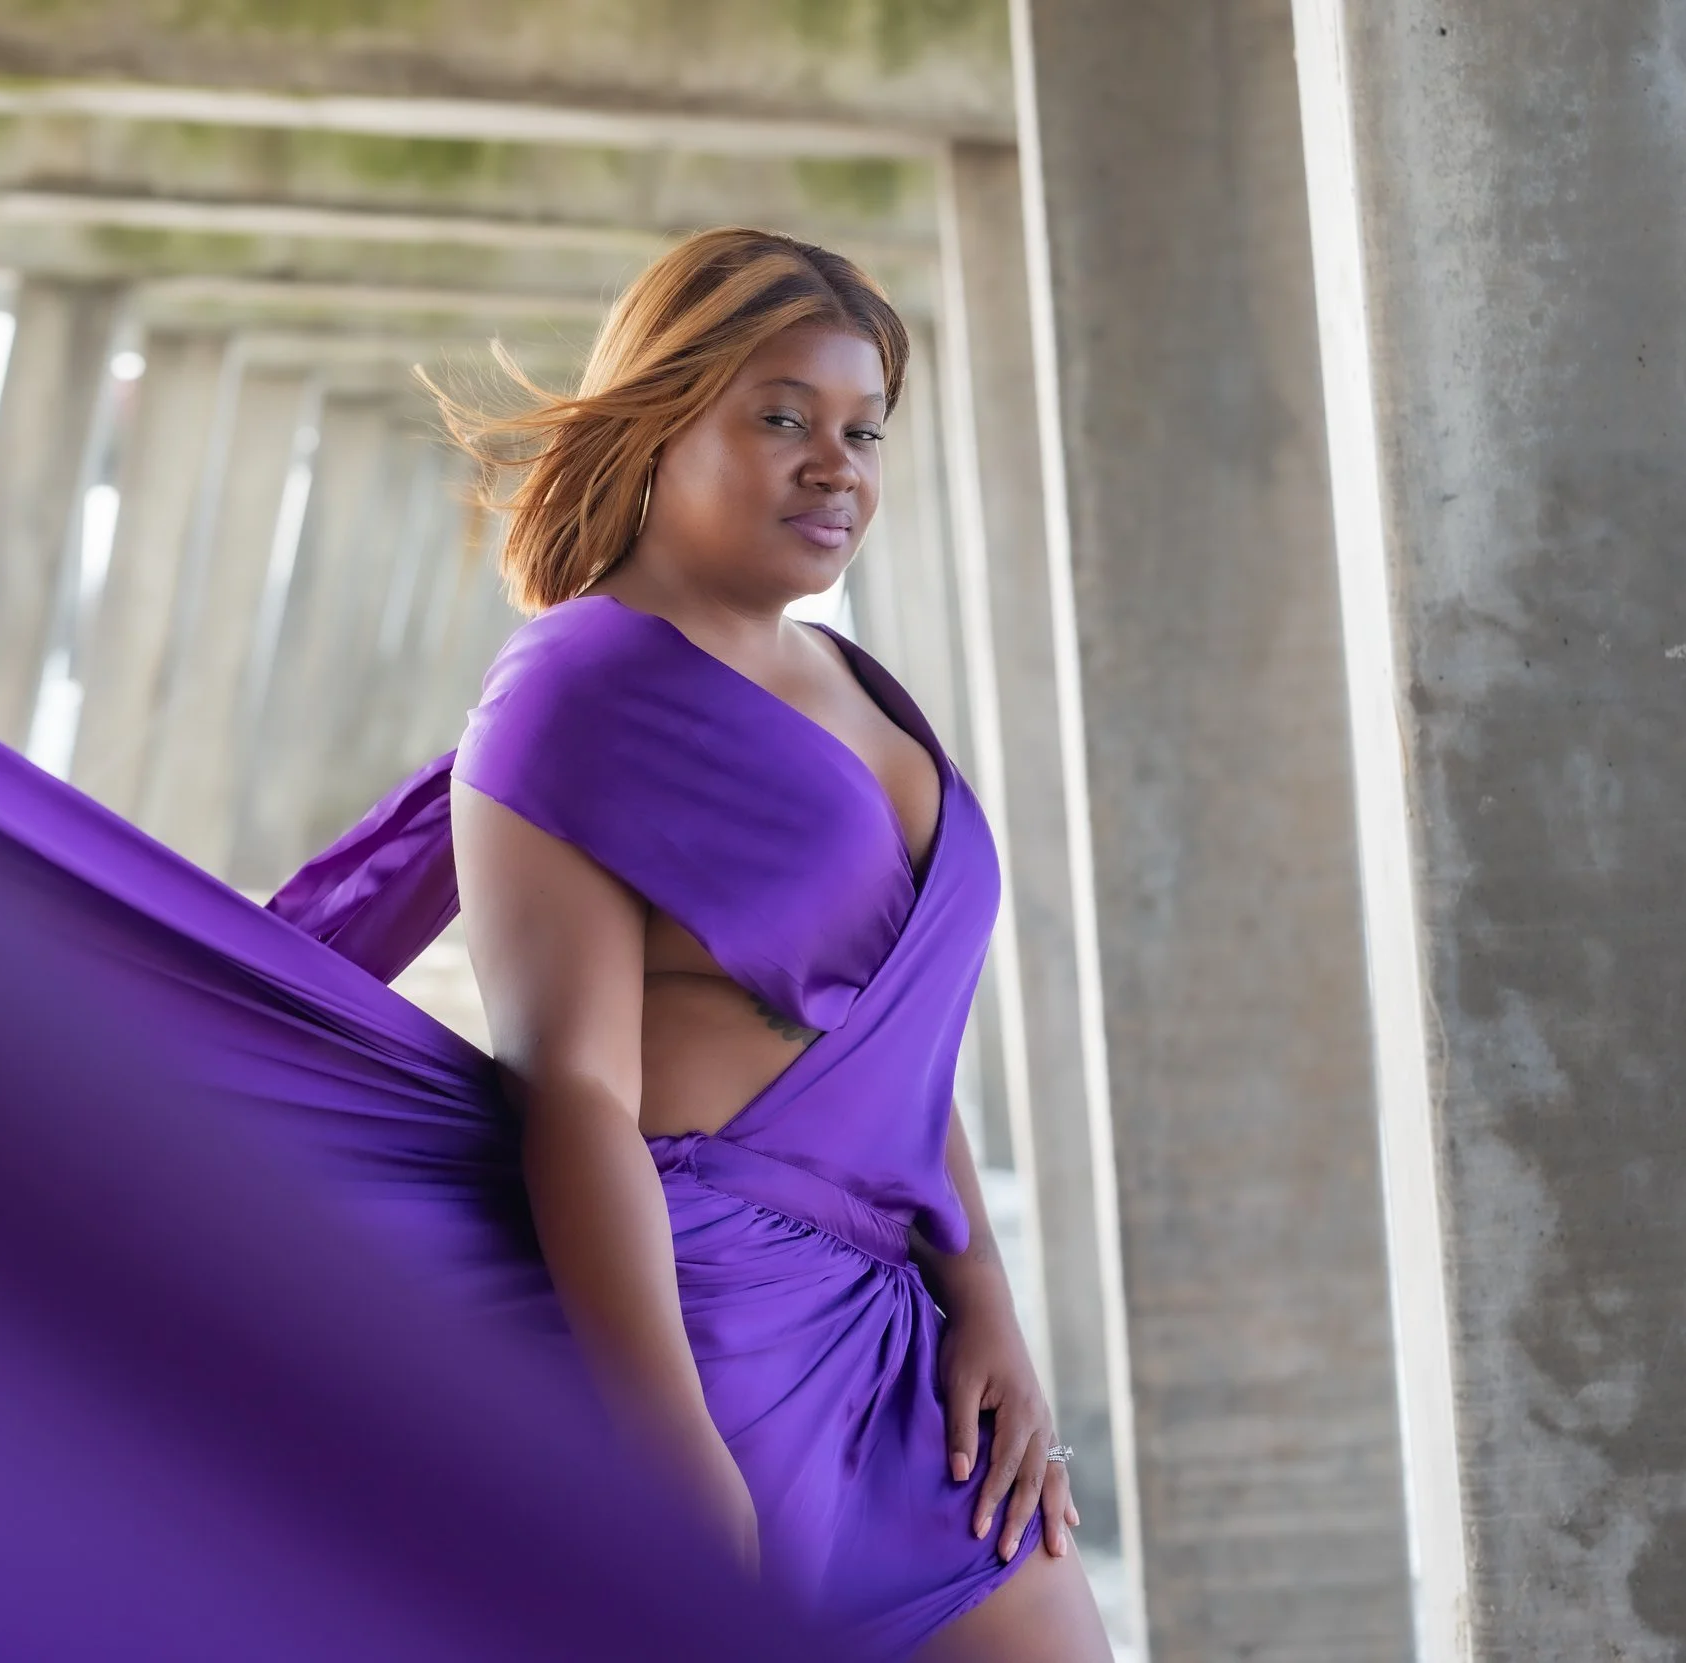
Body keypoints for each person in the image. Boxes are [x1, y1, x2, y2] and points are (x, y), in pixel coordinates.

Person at [431, 229, 1116, 1659]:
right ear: (659, 419)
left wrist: (985, 1296)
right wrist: (672, 1452)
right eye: (784, 417)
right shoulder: (577, 686)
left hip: (901, 1330)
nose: (837, 465)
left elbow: (899, 1052)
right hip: (713, 1326)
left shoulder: (857, 679)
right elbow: (574, 1092)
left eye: (863, 429)